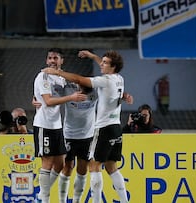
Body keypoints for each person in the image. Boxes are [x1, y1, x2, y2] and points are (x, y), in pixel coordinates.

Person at [42, 50, 132, 203]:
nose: (101, 65)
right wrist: (92, 57)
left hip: (102, 128)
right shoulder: (119, 79)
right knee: (112, 166)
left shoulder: (104, 81)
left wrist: (57, 72)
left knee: (94, 166)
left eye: (104, 63)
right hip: (115, 127)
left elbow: (79, 78)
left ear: (113, 67)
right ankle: (124, 201)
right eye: (101, 61)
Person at [33, 48, 87, 203]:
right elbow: (48, 102)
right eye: (50, 58)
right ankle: (44, 199)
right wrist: (71, 97)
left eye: (55, 58)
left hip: (57, 126)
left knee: (60, 164)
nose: (52, 61)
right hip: (44, 125)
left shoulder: (61, 78)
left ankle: (40, 195)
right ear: (46, 60)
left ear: (61, 61)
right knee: (47, 162)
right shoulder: (42, 76)